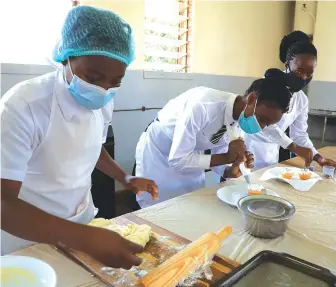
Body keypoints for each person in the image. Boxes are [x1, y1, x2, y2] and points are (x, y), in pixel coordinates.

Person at [1, 6, 158, 269]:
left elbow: (92, 145)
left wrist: (125, 177)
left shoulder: (103, 100)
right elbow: (3, 205)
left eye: (115, 82)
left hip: (81, 220)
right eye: (93, 77)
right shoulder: (24, 106)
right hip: (28, 233)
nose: (103, 89)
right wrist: (85, 238)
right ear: (66, 58)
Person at [134, 71, 292, 208]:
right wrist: (225, 157)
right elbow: (178, 160)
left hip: (189, 159)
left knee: (189, 205)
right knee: (157, 212)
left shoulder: (239, 120)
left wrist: (231, 168)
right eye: (262, 120)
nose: (261, 127)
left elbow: (218, 152)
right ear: (251, 100)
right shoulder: (203, 106)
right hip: (159, 156)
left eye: (268, 124)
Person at [244, 31, 336, 169]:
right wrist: (294, 147)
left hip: (271, 157)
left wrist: (318, 158)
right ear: (287, 62)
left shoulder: (301, 100)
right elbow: (263, 124)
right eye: (299, 70)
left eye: (309, 73)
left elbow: (299, 134)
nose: (304, 77)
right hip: (247, 152)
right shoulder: (264, 87)